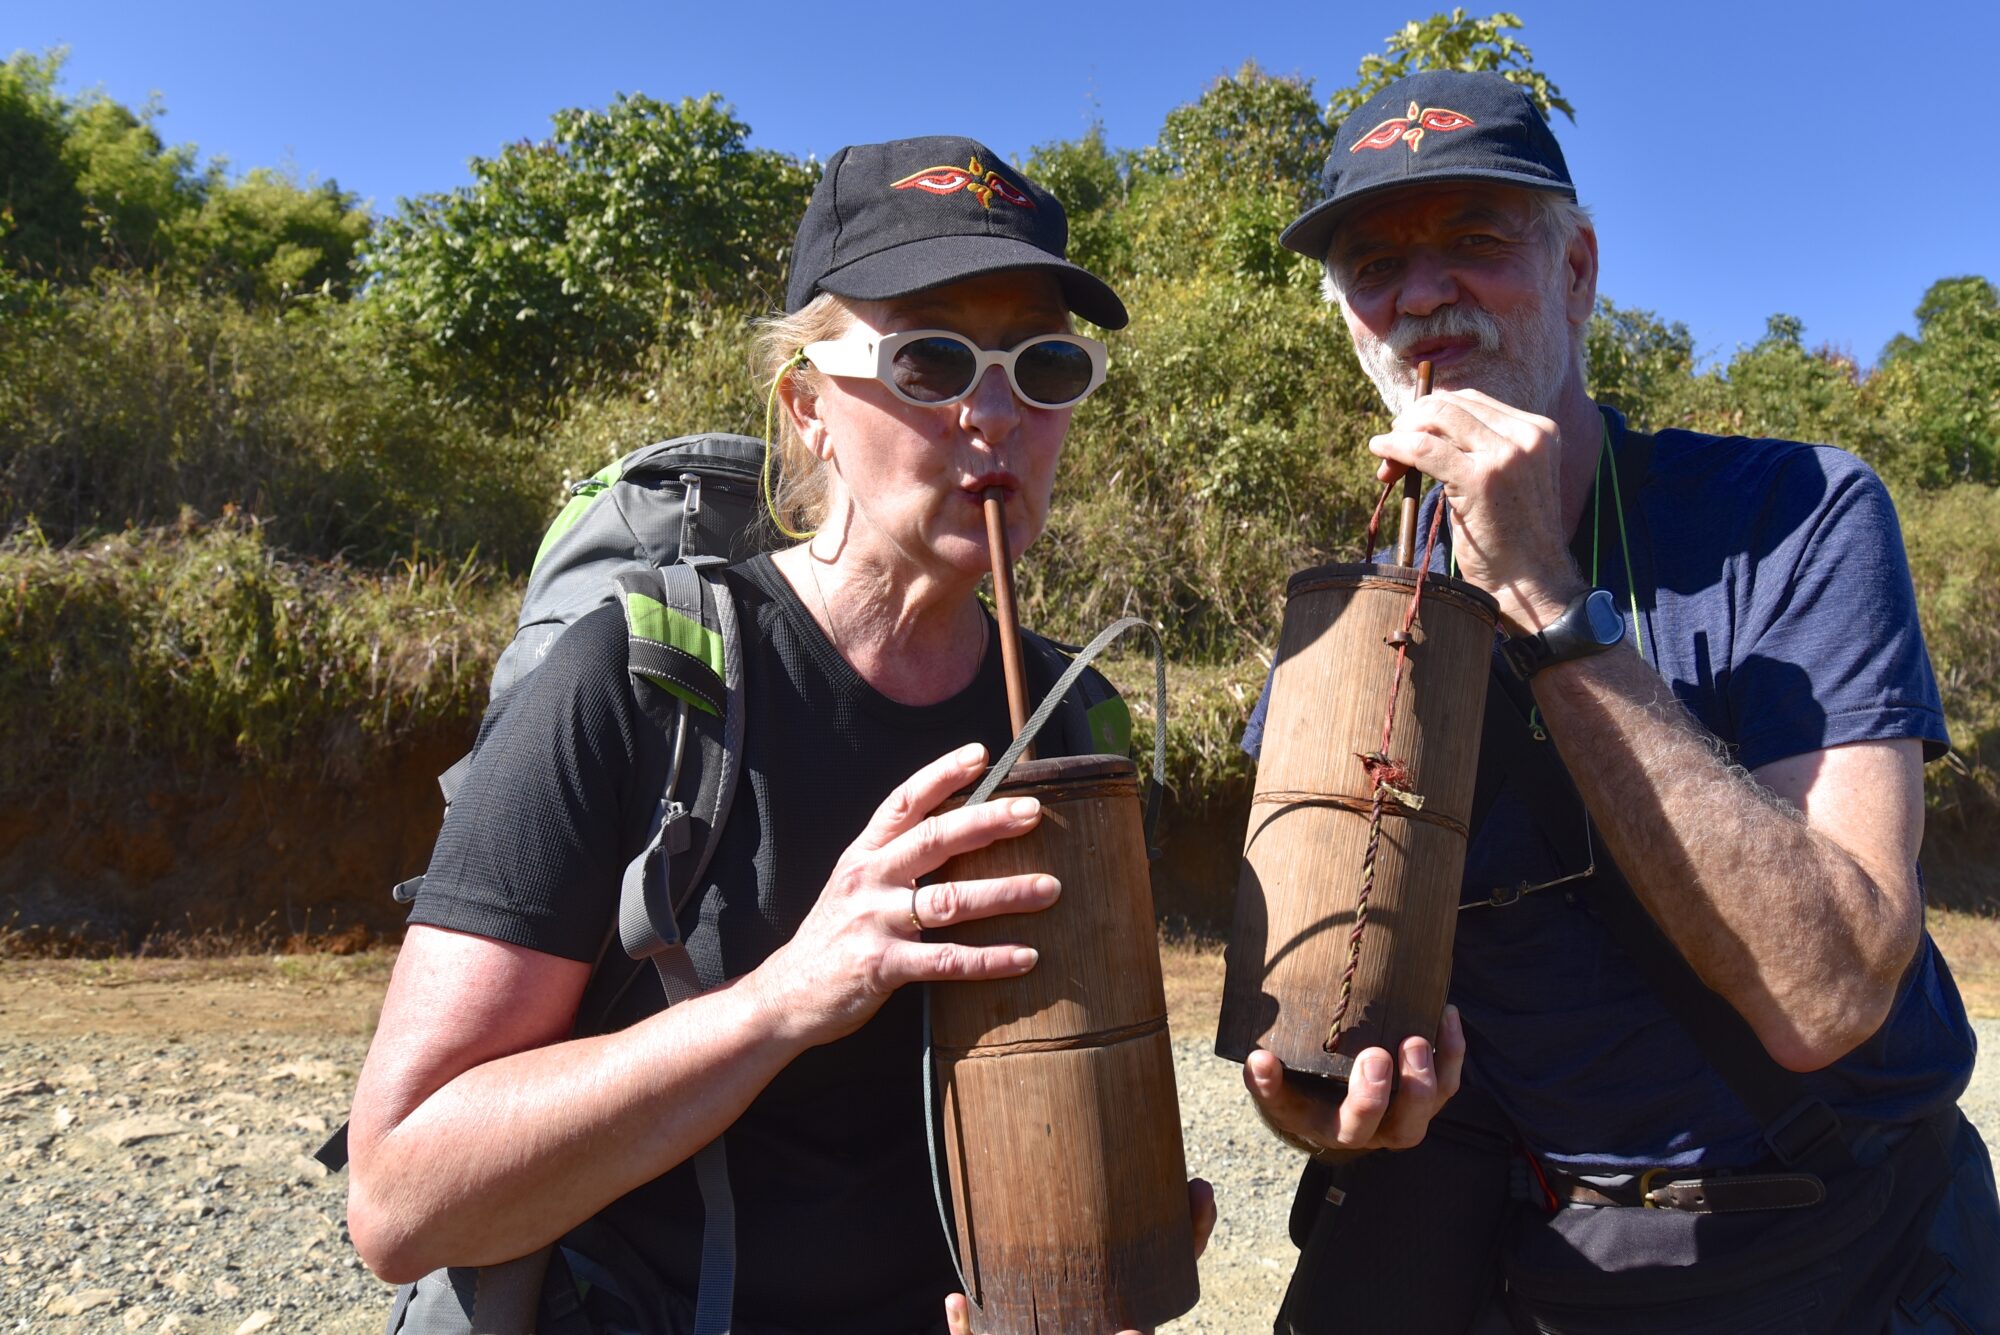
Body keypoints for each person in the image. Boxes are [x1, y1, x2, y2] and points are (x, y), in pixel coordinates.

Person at [345, 135, 1211, 1335]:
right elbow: (400, 1202)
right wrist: (787, 996)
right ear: (807, 406)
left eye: (1044, 363)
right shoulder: (641, 676)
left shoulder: (1072, 715)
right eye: (932, 358)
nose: (996, 412)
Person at [1238, 71, 2000, 1332]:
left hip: (1840, 1250)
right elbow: (1335, 1016)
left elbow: (1827, 996)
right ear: (1350, 322)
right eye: (1375, 265)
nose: (1423, 292)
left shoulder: (1792, 518)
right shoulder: (1337, 646)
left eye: (1477, 241)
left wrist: (1541, 592)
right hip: (1539, 1263)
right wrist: (1325, 1100)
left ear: (1578, 270)